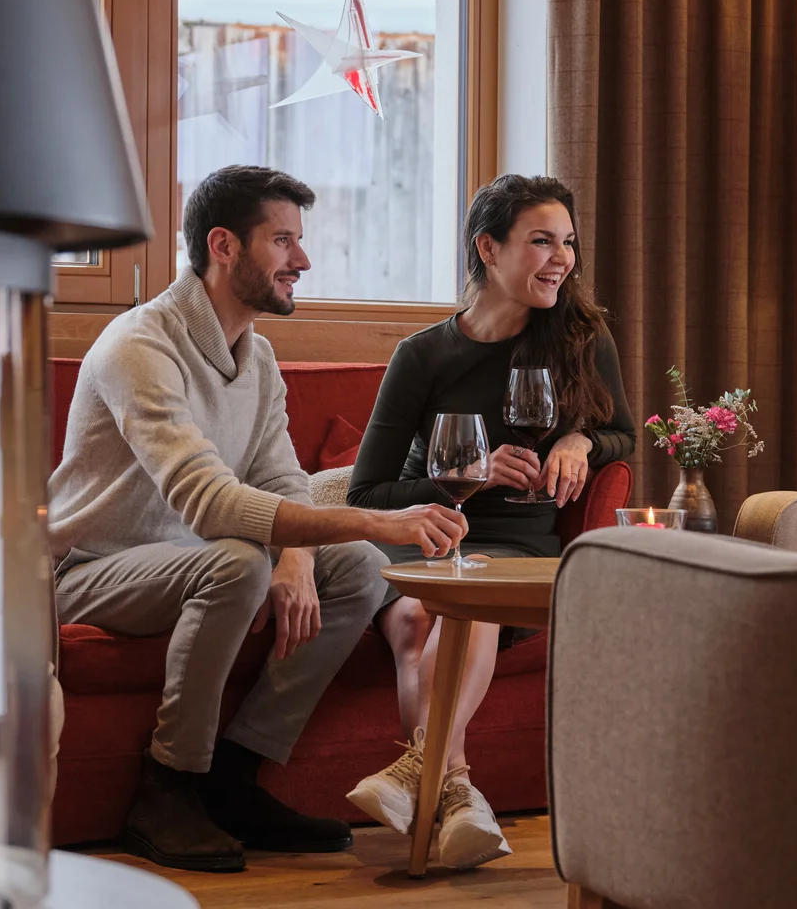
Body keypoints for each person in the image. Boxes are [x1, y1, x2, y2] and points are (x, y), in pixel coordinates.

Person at [49, 164, 470, 873]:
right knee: (243, 561)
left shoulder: (259, 355)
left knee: (358, 569)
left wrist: (300, 556)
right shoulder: (139, 346)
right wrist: (373, 521)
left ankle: (233, 776)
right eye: (282, 241)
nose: (302, 259)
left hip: (192, 558)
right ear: (224, 246)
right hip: (87, 569)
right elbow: (210, 502)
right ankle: (168, 785)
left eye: (298, 240)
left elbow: (281, 479)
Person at [344, 174, 635, 869]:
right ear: (488, 248)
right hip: (427, 535)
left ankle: (420, 778)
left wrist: (580, 440)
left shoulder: (582, 339)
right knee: (416, 619)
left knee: (463, 603)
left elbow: (623, 434)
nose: (562, 259)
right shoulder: (422, 356)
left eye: (568, 242)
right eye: (542, 241)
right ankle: (457, 795)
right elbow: (368, 492)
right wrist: (468, 474)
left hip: (515, 543)